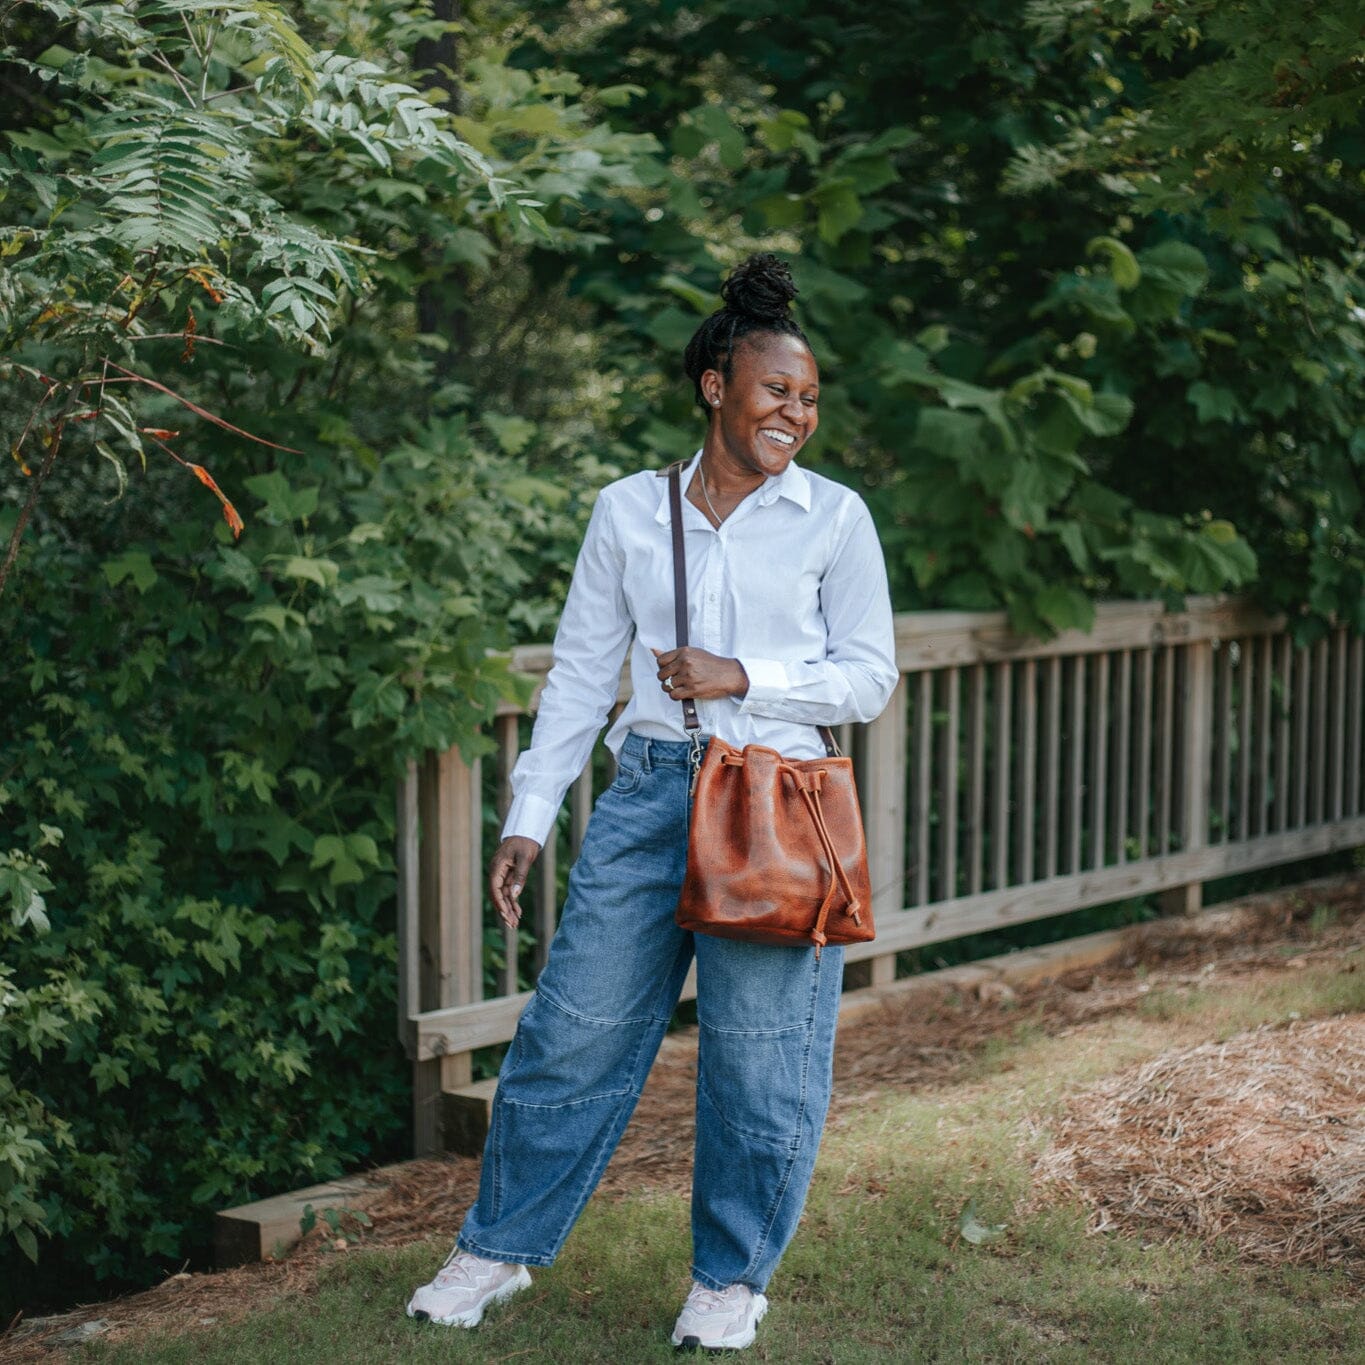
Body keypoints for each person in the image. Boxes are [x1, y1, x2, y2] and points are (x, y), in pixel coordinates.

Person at [405, 253, 897, 1352]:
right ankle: (497, 1249)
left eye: (810, 397)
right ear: (717, 387)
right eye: (777, 390)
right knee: (571, 1029)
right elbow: (581, 676)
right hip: (650, 800)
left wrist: (745, 677)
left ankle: (729, 1277)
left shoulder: (834, 518)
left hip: (774, 803)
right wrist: (528, 817)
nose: (796, 414)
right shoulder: (629, 511)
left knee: (759, 1058)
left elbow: (870, 676)